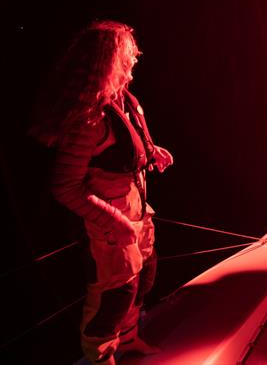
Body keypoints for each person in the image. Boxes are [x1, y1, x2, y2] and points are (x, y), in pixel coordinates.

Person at [30, 21, 173, 364]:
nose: (135, 59)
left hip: (137, 206)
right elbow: (64, 187)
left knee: (143, 277)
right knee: (114, 293)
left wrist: (152, 151)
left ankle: (127, 340)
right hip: (108, 222)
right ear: (110, 60)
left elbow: (126, 145)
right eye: (128, 54)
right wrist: (112, 220)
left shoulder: (124, 100)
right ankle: (99, 356)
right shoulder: (89, 119)